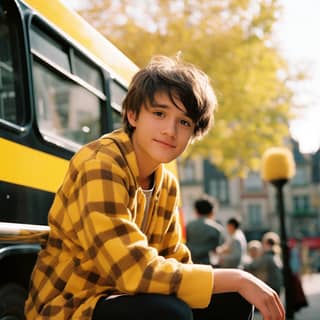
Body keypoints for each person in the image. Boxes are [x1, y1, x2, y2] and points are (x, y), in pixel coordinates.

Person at [25, 55, 285, 320]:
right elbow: (133, 271)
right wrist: (239, 277)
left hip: (126, 296)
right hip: (71, 306)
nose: (170, 130)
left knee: (231, 300)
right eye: (159, 114)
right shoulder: (101, 163)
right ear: (133, 114)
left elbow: (177, 262)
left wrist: (234, 285)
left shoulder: (167, 183)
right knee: (170, 312)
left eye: (184, 122)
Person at [186, 195, 225, 265]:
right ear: (212, 211)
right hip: (209, 266)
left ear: (196, 210)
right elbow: (219, 250)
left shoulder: (188, 226)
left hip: (190, 264)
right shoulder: (217, 229)